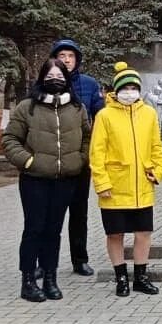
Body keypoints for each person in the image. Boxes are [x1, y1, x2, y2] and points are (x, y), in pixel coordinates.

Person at [2, 58, 91, 302]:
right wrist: (29, 161)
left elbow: (87, 137)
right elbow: (10, 140)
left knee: (54, 231)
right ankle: (28, 279)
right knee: (34, 229)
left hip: (65, 179)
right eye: (50, 75)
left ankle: (50, 278)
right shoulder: (27, 107)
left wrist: (80, 159)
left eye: (60, 76)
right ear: (42, 78)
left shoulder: (76, 108)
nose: (55, 80)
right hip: (35, 179)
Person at [89, 62, 162, 297]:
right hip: (114, 187)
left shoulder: (149, 113)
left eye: (134, 87)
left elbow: (157, 147)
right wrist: (101, 183)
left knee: (143, 233)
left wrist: (158, 170)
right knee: (115, 234)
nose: (129, 92)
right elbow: (97, 152)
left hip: (142, 186)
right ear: (116, 90)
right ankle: (120, 276)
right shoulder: (104, 115)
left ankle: (141, 277)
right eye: (125, 88)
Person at [49, 38, 104, 277]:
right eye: (62, 56)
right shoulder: (45, 84)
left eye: (70, 56)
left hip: (81, 159)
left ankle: (79, 259)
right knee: (51, 215)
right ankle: (45, 262)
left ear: (77, 59)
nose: (67, 60)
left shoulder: (89, 85)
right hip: (52, 161)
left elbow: (101, 118)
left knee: (79, 213)